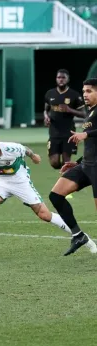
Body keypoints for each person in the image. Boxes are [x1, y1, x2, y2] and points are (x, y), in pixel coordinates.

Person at [0, 130, 97, 257]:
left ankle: (83, 238)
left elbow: (25, 149)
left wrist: (34, 156)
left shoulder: (11, 148)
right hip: (2, 182)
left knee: (44, 215)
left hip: (21, 182)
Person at [49, 77, 97, 256]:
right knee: (56, 195)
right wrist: (76, 162)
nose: (85, 94)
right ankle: (78, 235)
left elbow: (90, 135)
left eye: (89, 91)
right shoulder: (89, 110)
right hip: (87, 165)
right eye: (84, 91)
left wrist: (86, 133)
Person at [44, 69, 86, 170]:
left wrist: (69, 109)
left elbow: (84, 114)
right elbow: (46, 110)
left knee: (66, 162)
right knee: (54, 163)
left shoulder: (74, 95)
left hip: (68, 132)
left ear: (68, 79)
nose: (61, 80)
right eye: (59, 77)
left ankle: (66, 179)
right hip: (54, 132)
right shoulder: (50, 93)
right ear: (56, 79)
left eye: (63, 78)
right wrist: (46, 117)